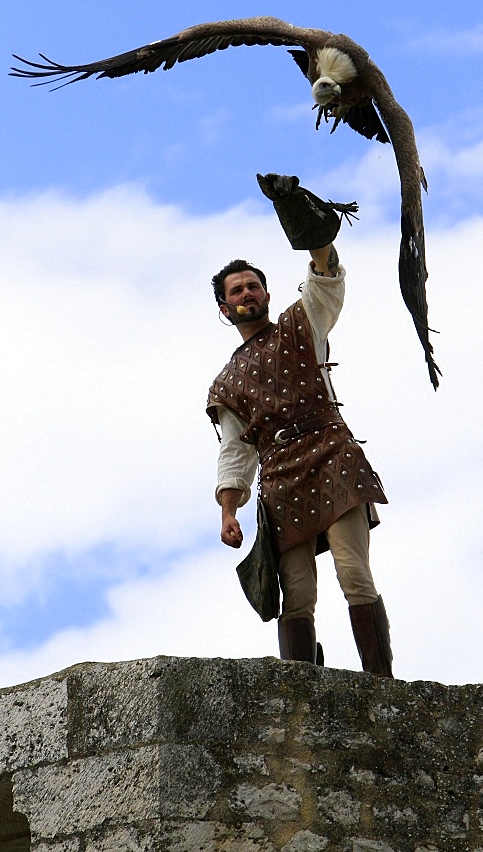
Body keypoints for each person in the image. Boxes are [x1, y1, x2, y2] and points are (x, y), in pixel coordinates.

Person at [206, 178, 393, 677]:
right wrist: (229, 509)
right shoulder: (226, 382)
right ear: (225, 309)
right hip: (281, 478)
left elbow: (326, 282)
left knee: (354, 573)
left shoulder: (300, 324)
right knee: (297, 599)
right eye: (236, 291)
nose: (246, 293)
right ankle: (302, 696)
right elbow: (234, 452)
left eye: (252, 285)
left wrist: (313, 234)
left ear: (266, 293)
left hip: (331, 453)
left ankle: (382, 686)